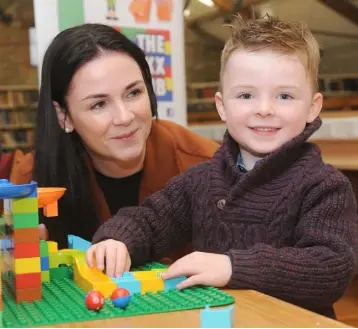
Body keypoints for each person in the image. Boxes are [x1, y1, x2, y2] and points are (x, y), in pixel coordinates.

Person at [87, 15, 358, 319]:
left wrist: (232, 267)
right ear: (222, 106)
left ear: (313, 107)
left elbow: (330, 268)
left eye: (284, 95)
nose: (264, 109)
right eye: (246, 95)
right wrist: (118, 239)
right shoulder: (201, 180)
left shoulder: (325, 187)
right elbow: (150, 220)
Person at [10, 23, 219, 254]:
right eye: (99, 104)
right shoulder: (31, 181)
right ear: (64, 117)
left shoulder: (207, 164)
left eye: (133, 93)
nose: (124, 117)